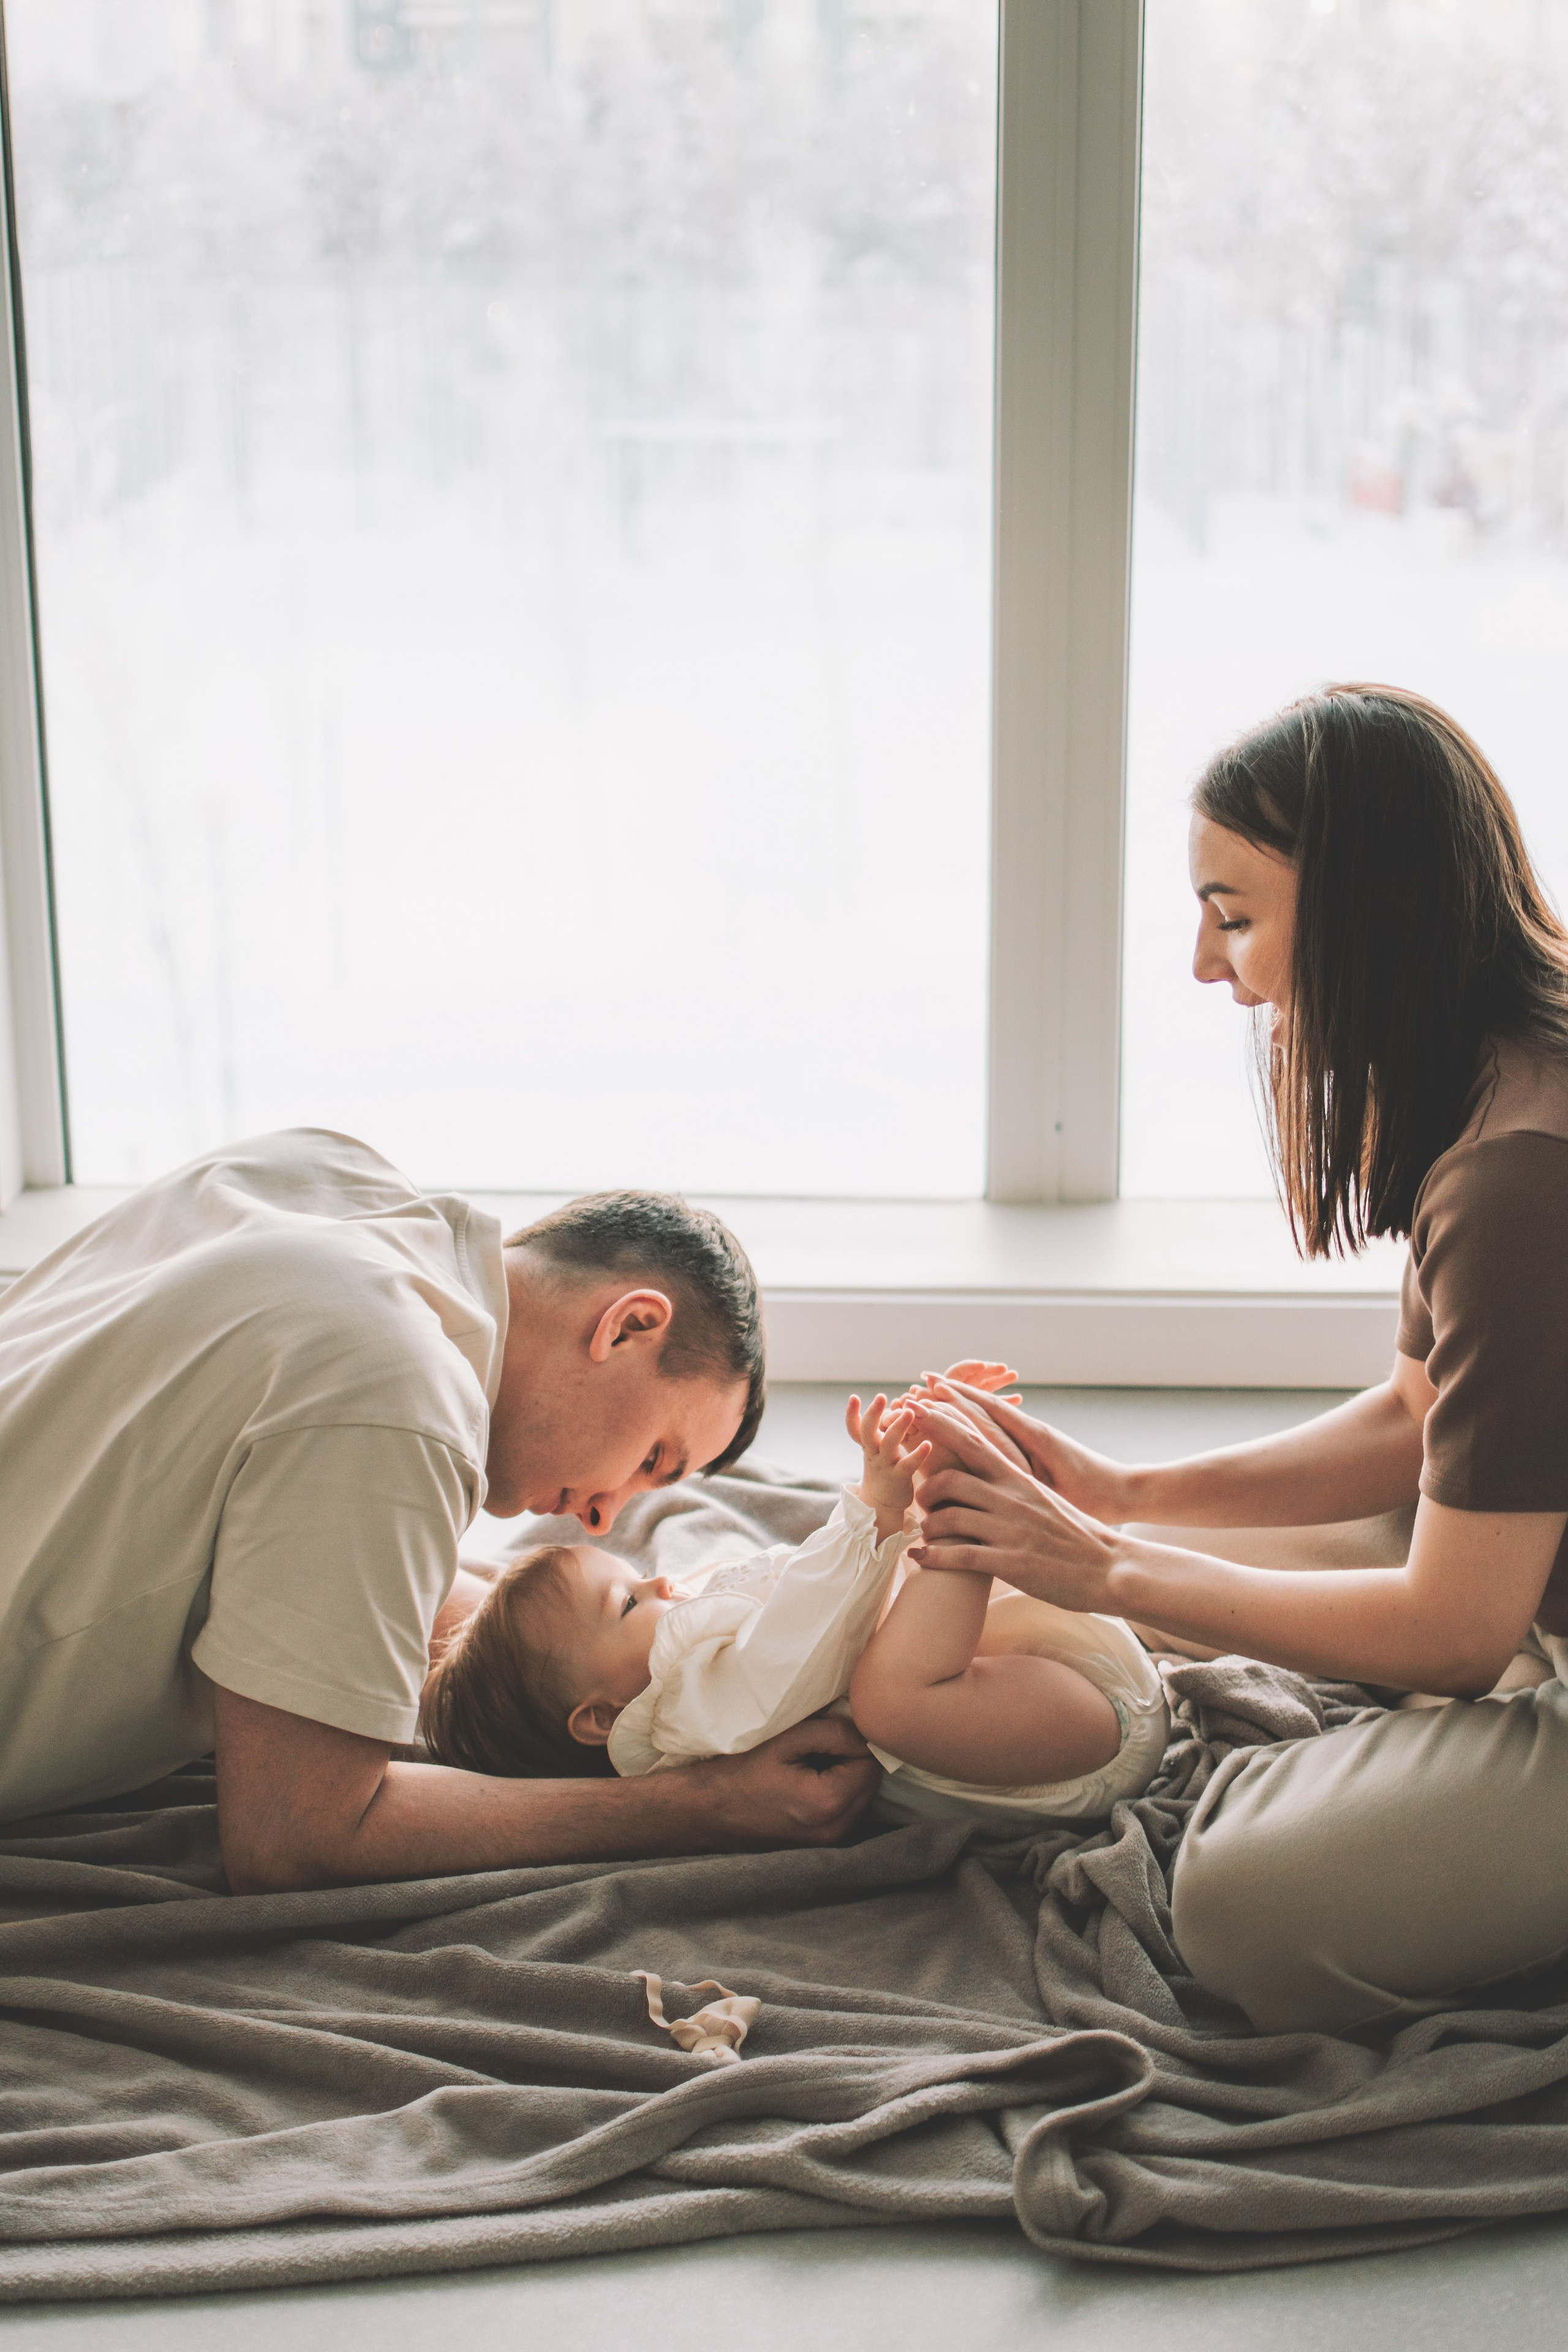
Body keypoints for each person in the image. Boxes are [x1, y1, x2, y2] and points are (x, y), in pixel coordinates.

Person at [903, 685, 1568, 2034]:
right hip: (1515, 1584)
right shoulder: (1496, 1072)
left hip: (1501, 1624)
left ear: (1363, 913)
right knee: (1150, 1588)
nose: (1208, 969)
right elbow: (1413, 1415)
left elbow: (1451, 1632)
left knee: (1238, 1909)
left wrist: (1098, 1565)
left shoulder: (1516, 1189)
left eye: (1233, 915)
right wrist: (1123, 1500)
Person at [0, 1129, 877, 1888]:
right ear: (627, 1327)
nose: (607, 1518)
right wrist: (700, 1807)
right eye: (651, 1459)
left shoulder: (316, 1172)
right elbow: (293, 1837)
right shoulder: (397, 1392)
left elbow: (306, 1551)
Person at [419, 1389, 1167, 1831]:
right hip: (1076, 1737)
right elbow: (805, 1632)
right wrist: (879, 1506)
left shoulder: (674, 1657)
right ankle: (961, 1511)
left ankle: (964, 1489)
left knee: (897, 1612)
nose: (663, 1587)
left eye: (639, 1577)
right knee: (887, 1697)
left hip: (1046, 1667)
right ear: (601, 1718)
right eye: (627, 1603)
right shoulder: (682, 1715)